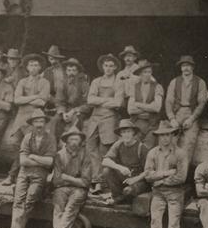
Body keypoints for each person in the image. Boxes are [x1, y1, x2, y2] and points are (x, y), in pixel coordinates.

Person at [126, 121, 189, 228]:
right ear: (158, 137)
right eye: (161, 135)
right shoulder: (152, 153)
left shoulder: (180, 153)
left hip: (175, 193)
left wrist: (159, 179)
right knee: (155, 221)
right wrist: (165, 174)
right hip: (158, 192)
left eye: (167, 135)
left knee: (173, 223)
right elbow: (148, 175)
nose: (164, 138)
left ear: (172, 136)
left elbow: (181, 177)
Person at [3, 109, 56, 228]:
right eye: (36, 121)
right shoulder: (27, 137)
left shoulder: (51, 138)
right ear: (32, 124)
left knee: (30, 199)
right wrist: (40, 160)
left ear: (45, 123)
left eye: (41, 121)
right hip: (24, 173)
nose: (39, 124)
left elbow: (50, 162)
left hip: (40, 175)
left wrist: (33, 156)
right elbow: (23, 161)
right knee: (18, 200)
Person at [3, 54, 50, 186]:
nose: (33, 68)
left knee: (31, 148)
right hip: (21, 118)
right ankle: (17, 176)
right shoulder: (22, 82)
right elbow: (17, 100)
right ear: (27, 67)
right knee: (16, 145)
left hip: (35, 118)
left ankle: (14, 176)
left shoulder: (44, 82)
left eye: (36, 65)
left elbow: (42, 101)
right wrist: (34, 97)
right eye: (31, 65)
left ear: (40, 67)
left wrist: (27, 99)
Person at [85, 53, 123, 194]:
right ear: (102, 67)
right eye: (106, 65)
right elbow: (90, 100)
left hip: (109, 118)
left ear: (115, 68)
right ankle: (95, 179)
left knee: (104, 149)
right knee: (90, 147)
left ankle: (103, 183)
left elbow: (118, 102)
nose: (108, 68)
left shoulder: (118, 83)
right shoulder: (96, 81)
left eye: (111, 66)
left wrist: (99, 99)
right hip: (95, 118)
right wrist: (108, 101)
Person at [50, 126, 92, 228]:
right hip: (62, 188)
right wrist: (75, 180)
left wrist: (67, 177)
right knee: (58, 209)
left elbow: (86, 182)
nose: (74, 142)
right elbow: (57, 180)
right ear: (67, 140)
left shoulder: (85, 155)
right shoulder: (59, 155)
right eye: (71, 139)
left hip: (79, 190)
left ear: (80, 141)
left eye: (77, 139)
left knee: (70, 209)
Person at [164, 55, 208, 158]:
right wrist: (172, 119)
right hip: (177, 113)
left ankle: (184, 173)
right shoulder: (174, 82)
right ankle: (169, 171)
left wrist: (192, 119)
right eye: (184, 65)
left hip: (192, 114)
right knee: (169, 142)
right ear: (180, 68)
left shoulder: (200, 82)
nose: (186, 68)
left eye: (189, 65)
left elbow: (202, 103)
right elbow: (168, 101)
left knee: (189, 144)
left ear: (193, 67)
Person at [101, 119, 150, 205]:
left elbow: (149, 171)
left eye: (128, 132)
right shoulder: (118, 144)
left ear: (133, 133)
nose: (126, 135)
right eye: (123, 132)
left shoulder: (141, 148)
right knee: (107, 171)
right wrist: (120, 167)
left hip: (139, 180)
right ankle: (117, 197)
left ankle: (123, 198)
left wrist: (134, 179)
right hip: (125, 178)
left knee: (128, 191)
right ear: (120, 134)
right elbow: (105, 161)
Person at [50, 57, 90, 145]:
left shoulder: (84, 84)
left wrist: (74, 111)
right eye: (69, 70)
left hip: (80, 110)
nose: (71, 73)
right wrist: (63, 112)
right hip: (66, 109)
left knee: (76, 121)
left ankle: (73, 145)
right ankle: (53, 147)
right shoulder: (63, 83)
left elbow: (88, 104)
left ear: (78, 72)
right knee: (55, 121)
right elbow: (60, 101)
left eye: (74, 70)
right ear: (66, 71)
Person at [126, 59, 163, 149]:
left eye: (149, 72)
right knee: (133, 146)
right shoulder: (134, 87)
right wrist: (149, 107)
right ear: (140, 74)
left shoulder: (158, 87)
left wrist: (138, 104)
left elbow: (157, 108)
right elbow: (130, 110)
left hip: (152, 124)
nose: (147, 74)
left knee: (147, 149)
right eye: (144, 72)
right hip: (137, 123)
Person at [115, 45, 141, 110]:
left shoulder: (140, 70)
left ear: (135, 58)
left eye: (130, 56)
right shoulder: (120, 74)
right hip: (123, 104)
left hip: (137, 102)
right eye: (125, 56)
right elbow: (116, 89)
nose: (127, 58)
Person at [41, 45, 67, 110]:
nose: (53, 60)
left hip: (64, 98)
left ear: (59, 59)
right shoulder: (47, 71)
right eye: (50, 58)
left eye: (55, 58)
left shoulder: (66, 70)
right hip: (51, 99)